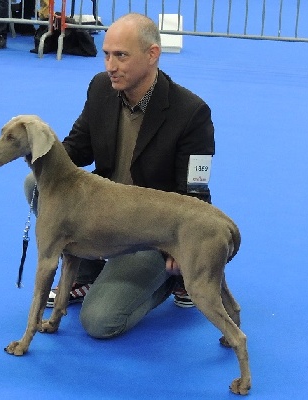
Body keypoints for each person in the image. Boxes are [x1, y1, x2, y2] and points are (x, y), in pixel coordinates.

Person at [24, 13, 215, 338]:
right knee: (36, 183)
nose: (110, 65)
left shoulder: (191, 113)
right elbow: (75, 150)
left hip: (150, 233)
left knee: (100, 321)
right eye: (107, 54)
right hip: (101, 216)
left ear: (152, 55)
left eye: (121, 56)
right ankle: (84, 268)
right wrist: (35, 148)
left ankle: (174, 281)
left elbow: (195, 192)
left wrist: (182, 248)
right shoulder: (101, 88)